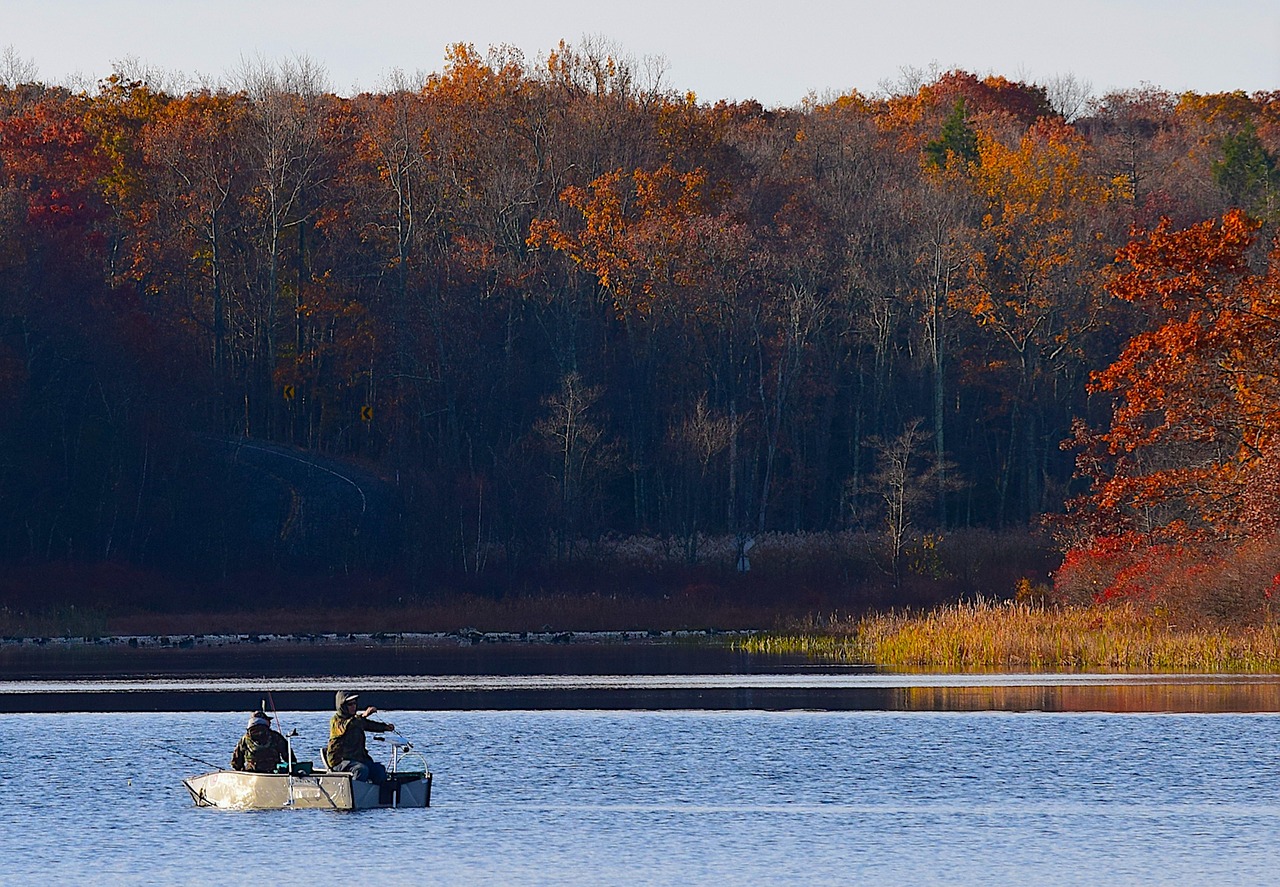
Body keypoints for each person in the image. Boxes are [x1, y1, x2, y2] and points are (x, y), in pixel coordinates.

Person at [327, 690, 395, 784]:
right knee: (361, 770)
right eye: (350, 704)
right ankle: (354, 795)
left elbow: (367, 724)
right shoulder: (336, 721)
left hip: (357, 759)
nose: (354, 706)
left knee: (379, 770)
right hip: (340, 761)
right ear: (342, 706)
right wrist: (364, 715)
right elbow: (348, 725)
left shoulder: (357, 720)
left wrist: (385, 727)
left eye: (355, 703)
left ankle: (380, 797)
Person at [230, 711, 295, 773]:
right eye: (268, 720)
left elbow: (236, 762)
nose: (270, 722)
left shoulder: (244, 739)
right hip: (273, 774)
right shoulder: (275, 736)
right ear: (264, 721)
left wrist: (240, 771)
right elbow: (289, 757)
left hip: (251, 774)